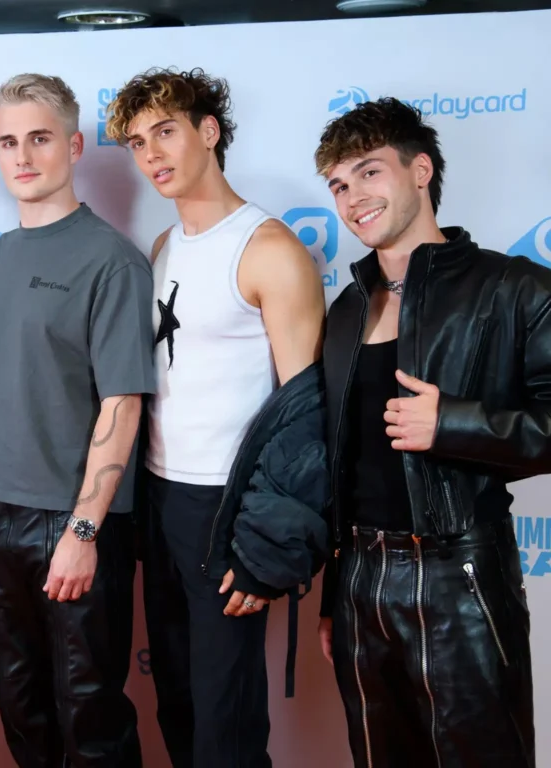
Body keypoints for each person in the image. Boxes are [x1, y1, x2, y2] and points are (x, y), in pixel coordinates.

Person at [103, 67, 330, 768]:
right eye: (138, 143)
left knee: (224, 721)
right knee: (177, 702)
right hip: (159, 498)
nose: (152, 155)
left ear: (208, 131)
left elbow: (306, 419)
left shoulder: (269, 249)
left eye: (165, 132)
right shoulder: (164, 246)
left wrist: (266, 545)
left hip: (227, 508)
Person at [314, 97, 541, 767]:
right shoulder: (346, 309)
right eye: (338, 185)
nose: (353, 197)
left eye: (368, 172)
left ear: (420, 171)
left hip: (460, 579)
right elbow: (344, 464)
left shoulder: (512, 288)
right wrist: (334, 595)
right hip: (360, 583)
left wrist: (454, 423)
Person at [0, 73, 153, 768]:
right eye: (8, 141)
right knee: (24, 719)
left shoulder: (112, 260)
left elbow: (123, 403)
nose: (22, 155)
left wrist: (84, 530)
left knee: (91, 720)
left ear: (72, 146)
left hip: (72, 524)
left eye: (39, 138)